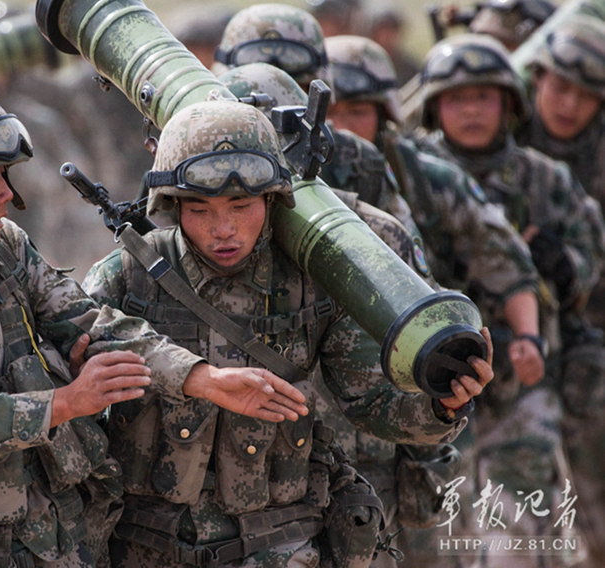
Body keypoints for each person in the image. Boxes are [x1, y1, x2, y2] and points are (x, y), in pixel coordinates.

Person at [0, 88, 309, 567]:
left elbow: (93, 323)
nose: (8, 193)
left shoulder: (6, 250)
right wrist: (66, 402)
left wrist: (202, 379)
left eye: (5, 174)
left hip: (55, 539)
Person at [82, 99, 494, 568]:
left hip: (278, 543)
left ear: (273, 200)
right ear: (171, 206)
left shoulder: (311, 282)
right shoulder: (129, 274)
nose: (224, 229)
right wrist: (197, 378)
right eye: (200, 209)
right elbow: (82, 345)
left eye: (241, 206)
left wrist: (442, 404)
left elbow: (371, 403)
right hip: (144, 543)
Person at [324, 33, 547, 567]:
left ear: (385, 114)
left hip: (442, 368)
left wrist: (530, 338)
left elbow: (505, 260)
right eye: (333, 111)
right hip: (342, 383)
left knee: (441, 527)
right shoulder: (290, 188)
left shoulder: (426, 176)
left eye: (359, 110)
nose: (344, 128)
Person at [413, 33, 600, 567]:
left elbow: (589, 256)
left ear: (509, 105)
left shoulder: (544, 178)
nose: (471, 111)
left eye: (484, 98)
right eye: (456, 99)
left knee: (520, 526)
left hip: (525, 379)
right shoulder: (416, 177)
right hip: (436, 382)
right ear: (433, 108)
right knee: (440, 524)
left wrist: (560, 264)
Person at [515, 16, 605, 566]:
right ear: (539, 77)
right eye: (561, 87)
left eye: (586, 95)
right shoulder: (504, 135)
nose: (569, 105)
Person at [211, 2, 419, 240]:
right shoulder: (186, 151)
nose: (274, 107)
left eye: (292, 89)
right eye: (254, 94)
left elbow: (403, 260)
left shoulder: (357, 159)